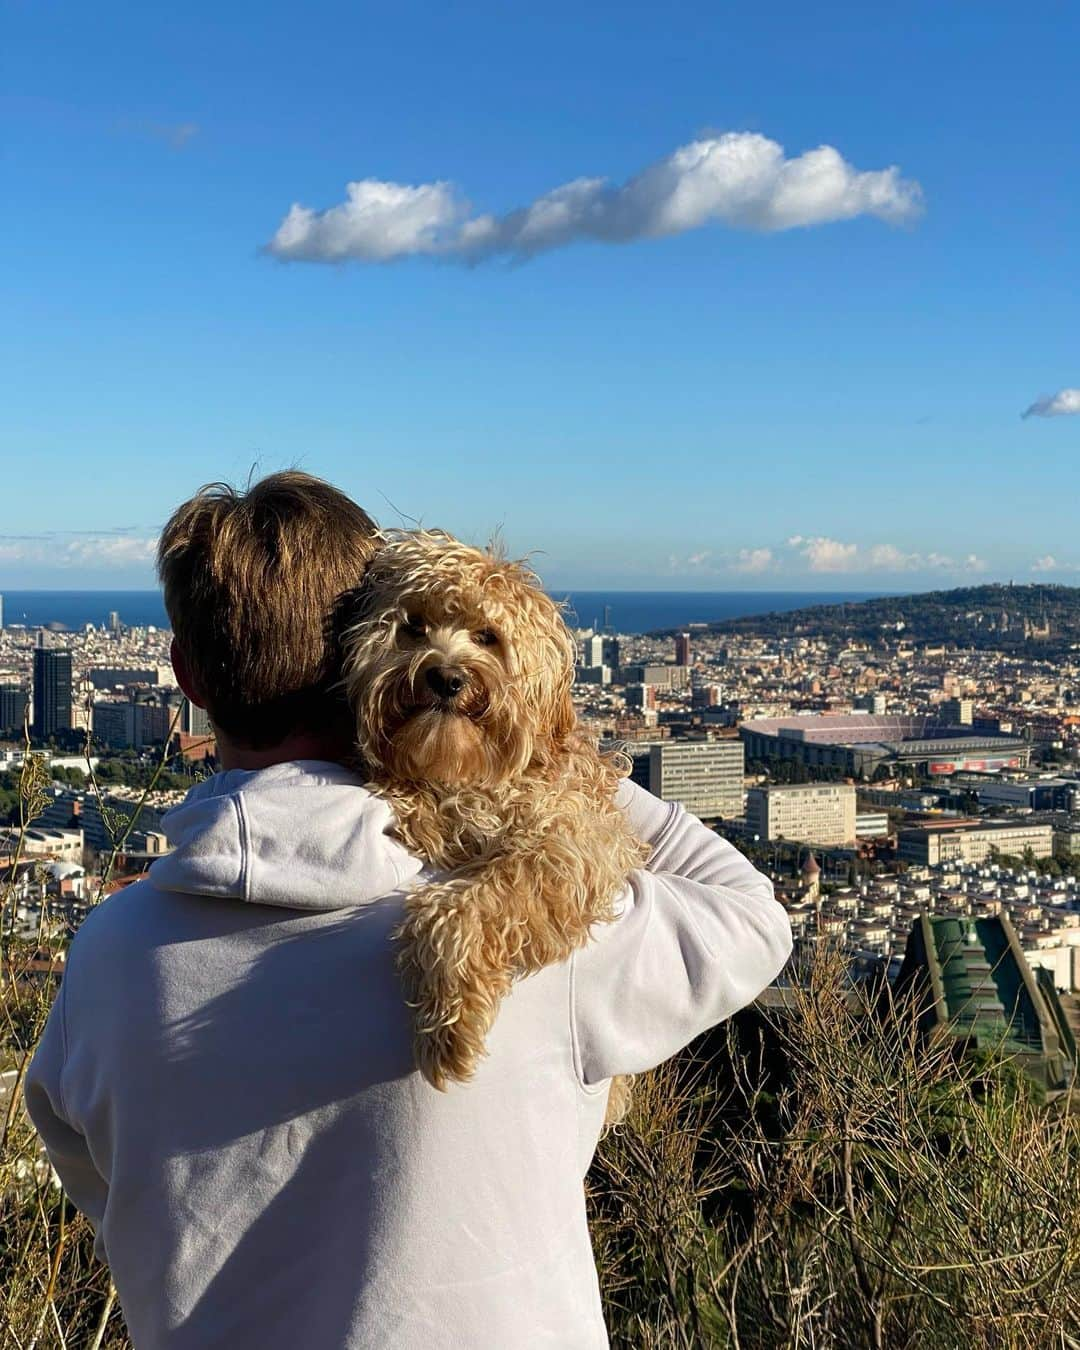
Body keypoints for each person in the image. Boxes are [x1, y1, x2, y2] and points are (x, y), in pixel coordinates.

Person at [25, 470, 792, 1349]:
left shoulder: (109, 958)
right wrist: (554, 750)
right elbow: (754, 916)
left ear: (187, 674)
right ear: (360, 655)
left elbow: (97, 1181)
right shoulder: (540, 927)